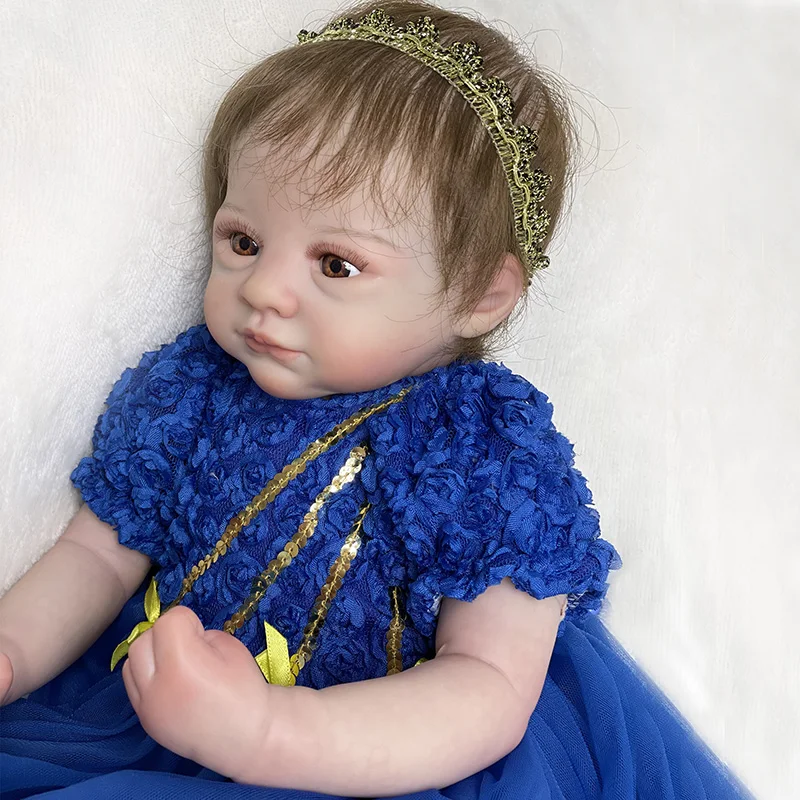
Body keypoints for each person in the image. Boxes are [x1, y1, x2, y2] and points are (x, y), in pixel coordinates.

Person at [0, 2, 752, 797]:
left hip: (381, 756)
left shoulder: (478, 446)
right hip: (147, 711)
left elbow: (488, 685)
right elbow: (96, 554)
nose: (263, 288)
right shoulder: (194, 387)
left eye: (336, 264)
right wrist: (15, 648)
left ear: (479, 295)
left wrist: (268, 731)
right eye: (244, 242)